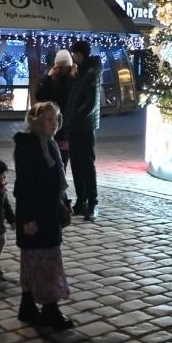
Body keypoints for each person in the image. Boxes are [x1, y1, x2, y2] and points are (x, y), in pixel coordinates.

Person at [14, 101, 73, 329]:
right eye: (48, 119)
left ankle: (27, 306)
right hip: (36, 215)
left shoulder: (50, 145)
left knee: (34, 261)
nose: (53, 124)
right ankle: (50, 309)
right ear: (36, 121)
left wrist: (64, 202)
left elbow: (57, 181)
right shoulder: (29, 146)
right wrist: (28, 219)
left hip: (48, 212)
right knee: (46, 262)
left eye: (56, 118)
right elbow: (24, 186)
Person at [65, 40, 102, 220]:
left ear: (80, 54)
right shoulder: (80, 71)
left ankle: (92, 202)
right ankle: (81, 200)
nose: (73, 57)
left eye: (75, 54)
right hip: (75, 124)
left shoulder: (91, 72)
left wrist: (77, 116)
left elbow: (91, 102)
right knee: (77, 163)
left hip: (85, 125)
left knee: (86, 163)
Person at [35, 49, 77, 170]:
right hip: (51, 124)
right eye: (60, 67)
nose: (63, 70)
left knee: (62, 160)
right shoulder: (51, 80)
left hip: (66, 127)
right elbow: (39, 95)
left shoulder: (74, 80)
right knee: (50, 159)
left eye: (65, 67)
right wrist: (48, 77)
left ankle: (60, 185)